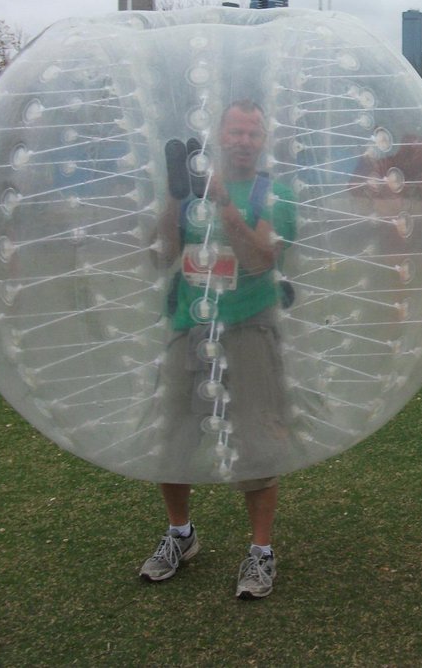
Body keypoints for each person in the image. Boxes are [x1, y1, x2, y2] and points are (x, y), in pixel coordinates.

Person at [139, 99, 298, 599]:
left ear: (263, 140)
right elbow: (160, 255)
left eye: (253, 133)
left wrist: (225, 204)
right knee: (172, 439)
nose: (243, 141)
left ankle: (260, 553)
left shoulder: (277, 194)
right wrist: (174, 198)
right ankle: (180, 536)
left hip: (249, 331)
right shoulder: (189, 194)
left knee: (256, 440)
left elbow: (258, 258)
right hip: (188, 330)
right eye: (235, 132)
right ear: (219, 136)